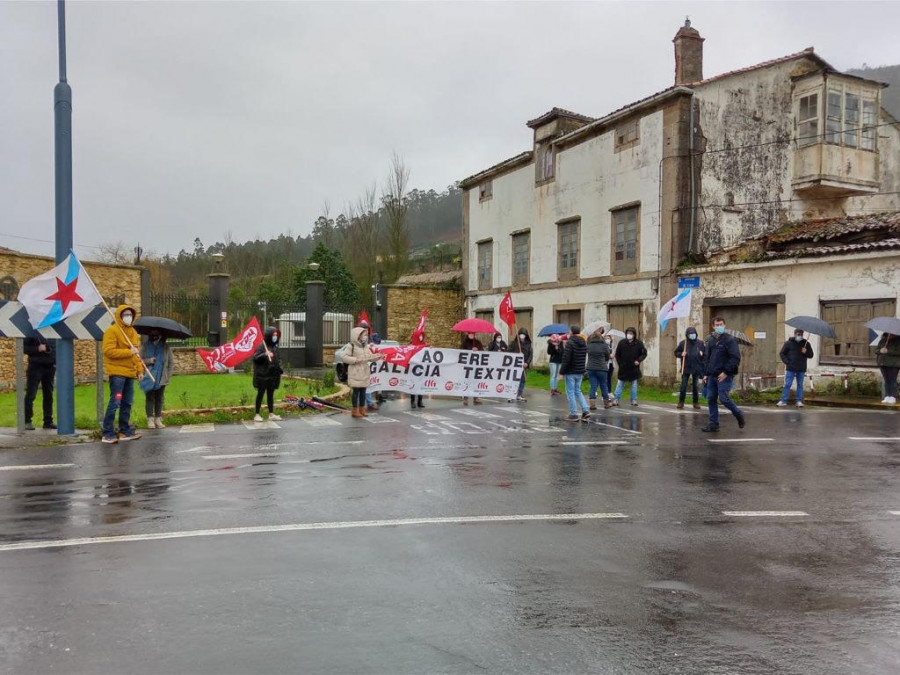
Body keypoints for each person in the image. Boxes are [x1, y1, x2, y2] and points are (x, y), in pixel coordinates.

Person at [101, 304, 143, 444]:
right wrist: (128, 352)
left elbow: (136, 355)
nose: (128, 317)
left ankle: (124, 430)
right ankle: (107, 432)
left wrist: (139, 370)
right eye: (125, 315)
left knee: (127, 402)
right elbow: (108, 351)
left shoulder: (133, 333)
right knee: (116, 401)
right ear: (119, 316)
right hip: (117, 374)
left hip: (130, 374)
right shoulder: (112, 331)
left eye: (130, 315)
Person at [701, 316, 745, 432]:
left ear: (724, 325)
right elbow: (708, 358)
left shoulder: (730, 340)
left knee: (724, 399)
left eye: (721, 324)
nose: (719, 326)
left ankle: (738, 414)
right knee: (711, 398)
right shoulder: (711, 340)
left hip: (724, 375)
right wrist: (706, 373)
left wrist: (726, 372)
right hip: (712, 375)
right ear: (713, 326)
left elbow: (735, 358)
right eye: (717, 325)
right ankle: (713, 424)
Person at [342, 326, 384, 417]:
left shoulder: (365, 346)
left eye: (366, 335)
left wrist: (379, 356)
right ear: (358, 335)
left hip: (364, 371)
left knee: (363, 391)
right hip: (355, 371)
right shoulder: (351, 346)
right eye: (364, 335)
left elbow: (370, 357)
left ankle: (362, 409)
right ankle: (355, 410)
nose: (365, 337)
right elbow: (344, 357)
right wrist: (355, 360)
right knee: (356, 391)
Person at [140, 330, 175, 428]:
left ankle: (158, 419)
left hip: (162, 377)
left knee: (159, 398)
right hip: (149, 377)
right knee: (150, 398)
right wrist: (149, 360)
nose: (155, 336)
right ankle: (150, 419)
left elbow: (171, 363)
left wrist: (168, 375)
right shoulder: (145, 347)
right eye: (153, 334)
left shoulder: (166, 347)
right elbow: (138, 360)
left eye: (157, 334)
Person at [23, 332, 56, 431]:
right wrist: (37, 349)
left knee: (48, 395)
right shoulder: (33, 332)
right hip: (35, 366)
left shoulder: (54, 331)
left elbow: (55, 348)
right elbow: (24, 348)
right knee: (31, 394)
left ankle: (48, 421)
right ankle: (27, 421)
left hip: (50, 367)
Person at [252, 327, 284, 422]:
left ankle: (271, 414)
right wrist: (265, 354)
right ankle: (257, 414)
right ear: (269, 335)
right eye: (273, 335)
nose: (275, 337)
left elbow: (278, 359)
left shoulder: (275, 346)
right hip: (263, 375)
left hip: (272, 375)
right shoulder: (262, 346)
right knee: (260, 394)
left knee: (270, 395)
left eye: (276, 335)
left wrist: (280, 368)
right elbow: (255, 358)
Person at [560, 325, 590, 422]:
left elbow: (566, 359)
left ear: (572, 332)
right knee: (578, 390)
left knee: (571, 392)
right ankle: (585, 410)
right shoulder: (584, 343)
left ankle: (573, 414)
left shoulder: (570, 343)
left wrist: (561, 372)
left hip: (571, 371)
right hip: (580, 371)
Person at [777, 329, 814, 408]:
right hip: (791, 367)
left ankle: (799, 401)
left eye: (800, 334)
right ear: (794, 334)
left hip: (801, 367)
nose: (799, 336)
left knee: (800, 384)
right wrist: (787, 362)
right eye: (798, 334)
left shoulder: (806, 344)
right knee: (787, 384)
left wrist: (806, 352)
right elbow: (782, 353)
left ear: (802, 335)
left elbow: (811, 355)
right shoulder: (788, 343)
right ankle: (783, 400)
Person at [613, 327, 647, 406]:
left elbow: (644, 353)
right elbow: (617, 355)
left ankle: (634, 400)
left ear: (634, 335)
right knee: (620, 384)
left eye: (631, 333)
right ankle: (616, 399)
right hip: (623, 367)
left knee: (634, 385)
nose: (629, 335)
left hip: (634, 368)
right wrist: (620, 364)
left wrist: (638, 360)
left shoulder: (639, 343)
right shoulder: (622, 343)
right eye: (628, 333)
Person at [674, 326, 705, 409]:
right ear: (687, 335)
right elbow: (676, 352)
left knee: (695, 386)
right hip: (686, 367)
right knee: (683, 386)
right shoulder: (683, 343)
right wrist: (681, 354)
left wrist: (702, 354)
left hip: (696, 367)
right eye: (690, 334)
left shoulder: (700, 343)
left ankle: (695, 402)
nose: (692, 335)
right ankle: (681, 402)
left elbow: (705, 355)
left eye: (693, 333)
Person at [586, 327, 612, 409]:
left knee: (593, 385)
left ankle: (592, 404)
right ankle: (606, 404)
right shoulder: (604, 345)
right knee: (603, 385)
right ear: (601, 337)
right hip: (602, 368)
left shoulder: (589, 345)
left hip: (591, 368)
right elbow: (607, 356)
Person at [876, 332, 900, 404]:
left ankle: (893, 396)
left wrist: (888, 351)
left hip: (893, 364)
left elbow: (898, 351)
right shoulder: (882, 340)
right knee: (886, 380)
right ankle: (887, 396)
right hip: (883, 363)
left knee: (892, 380)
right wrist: (880, 351)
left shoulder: (898, 341)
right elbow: (876, 350)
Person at [460, 332, 484, 405]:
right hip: (467, 365)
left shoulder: (478, 342)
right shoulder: (464, 343)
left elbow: (482, 352)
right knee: (467, 381)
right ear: (468, 335)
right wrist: (471, 349)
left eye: (472, 334)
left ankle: (476, 397)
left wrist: (478, 349)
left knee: (475, 381)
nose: (471, 335)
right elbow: (461, 351)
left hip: (476, 365)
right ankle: (465, 398)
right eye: (470, 334)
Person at [510, 327, 532, 402]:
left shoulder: (529, 344)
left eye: (524, 334)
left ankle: (519, 394)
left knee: (523, 380)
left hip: (524, 365)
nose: (522, 336)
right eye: (521, 334)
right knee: (514, 379)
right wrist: (517, 354)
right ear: (518, 335)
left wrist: (527, 363)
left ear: (526, 335)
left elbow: (530, 355)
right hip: (515, 365)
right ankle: (512, 394)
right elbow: (509, 352)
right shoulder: (514, 343)